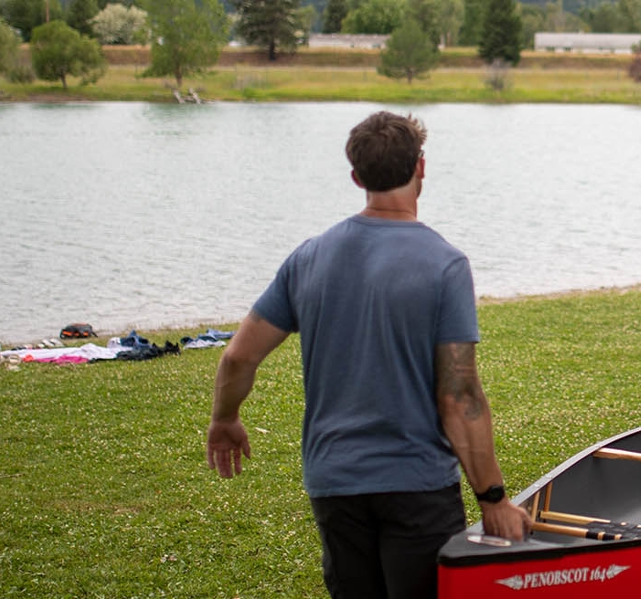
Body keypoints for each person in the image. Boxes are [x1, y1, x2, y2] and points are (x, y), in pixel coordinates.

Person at [205, 111, 532, 598]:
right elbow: (459, 394)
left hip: (335, 483)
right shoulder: (445, 265)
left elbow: (237, 358)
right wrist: (493, 498)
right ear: (421, 168)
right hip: (416, 485)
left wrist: (224, 418)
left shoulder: (308, 258)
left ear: (357, 177)